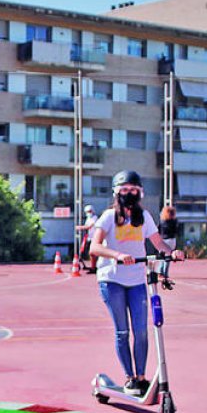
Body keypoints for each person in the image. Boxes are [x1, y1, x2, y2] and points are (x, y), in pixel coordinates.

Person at [87, 170, 184, 396]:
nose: (129, 193)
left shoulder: (145, 217)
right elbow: (94, 247)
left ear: (140, 192)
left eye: (133, 189)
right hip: (112, 280)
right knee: (123, 332)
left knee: (141, 331)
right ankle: (130, 378)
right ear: (117, 192)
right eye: (124, 189)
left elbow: (159, 243)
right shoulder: (109, 217)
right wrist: (117, 255)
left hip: (137, 280)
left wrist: (172, 253)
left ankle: (141, 378)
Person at [75, 204, 97, 271]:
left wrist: (80, 227)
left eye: (90, 211)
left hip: (94, 238)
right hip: (89, 237)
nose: (89, 213)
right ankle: (90, 266)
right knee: (85, 252)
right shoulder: (88, 219)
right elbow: (87, 226)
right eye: (87, 212)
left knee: (92, 253)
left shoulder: (95, 218)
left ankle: (93, 267)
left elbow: (89, 226)